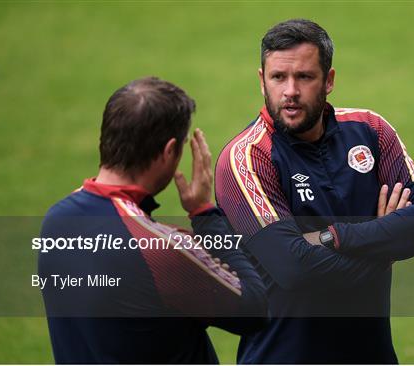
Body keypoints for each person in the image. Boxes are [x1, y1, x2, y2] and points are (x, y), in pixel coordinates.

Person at [215, 19, 414, 363]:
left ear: (329, 80)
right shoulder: (247, 158)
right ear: (262, 81)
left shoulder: (371, 131)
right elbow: (294, 270)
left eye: (304, 77)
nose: (290, 90)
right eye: (278, 77)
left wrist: (330, 237)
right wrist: (384, 247)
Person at [38, 77, 267, 364]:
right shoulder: (158, 248)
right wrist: (204, 213)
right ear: (169, 150)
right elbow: (255, 309)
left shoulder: (56, 220)